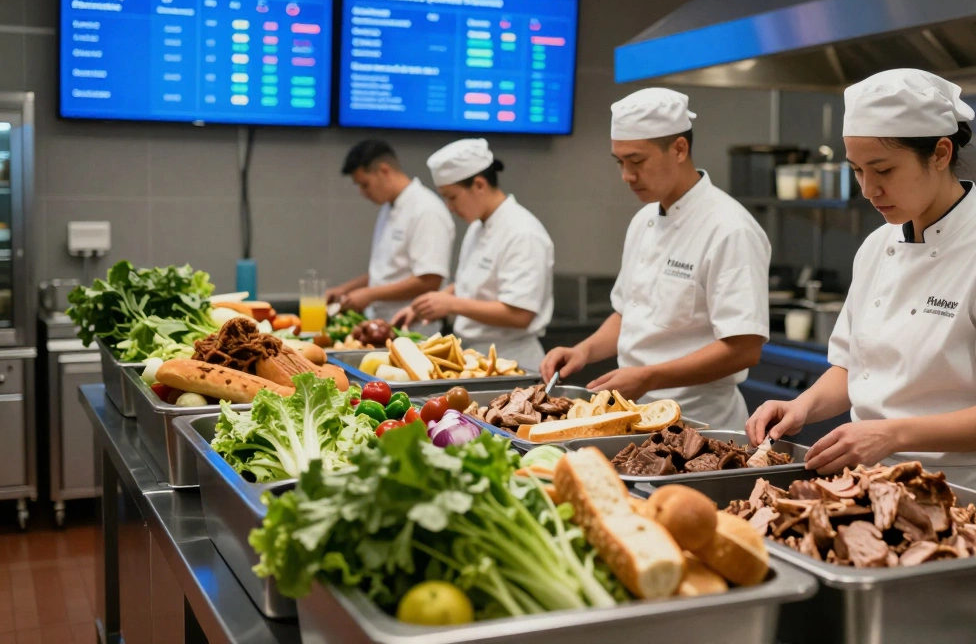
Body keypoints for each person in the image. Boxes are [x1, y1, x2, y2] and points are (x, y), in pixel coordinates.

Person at [746, 69, 976, 503]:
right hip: (871, 488)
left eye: (883, 170)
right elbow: (853, 368)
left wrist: (891, 434)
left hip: (967, 496)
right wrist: (801, 408)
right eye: (857, 170)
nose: (868, 189)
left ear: (939, 152)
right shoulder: (878, 245)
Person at [540, 88, 771, 430]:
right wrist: (584, 351)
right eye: (620, 163)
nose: (627, 176)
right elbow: (629, 314)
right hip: (635, 414)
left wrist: (649, 377)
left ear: (679, 149)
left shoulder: (730, 228)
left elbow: (744, 348)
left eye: (637, 161)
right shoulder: (644, 220)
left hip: (700, 423)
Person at [391, 139, 554, 373]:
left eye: (452, 197)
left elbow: (520, 314)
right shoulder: (479, 226)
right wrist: (428, 303)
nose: (449, 206)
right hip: (477, 356)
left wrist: (450, 304)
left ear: (479, 184)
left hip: (512, 361)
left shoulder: (523, 232)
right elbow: (470, 283)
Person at [325, 139, 455, 335]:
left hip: (414, 329)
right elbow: (386, 270)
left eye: (365, 184)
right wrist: (345, 289)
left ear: (384, 171)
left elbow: (430, 279)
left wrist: (369, 294)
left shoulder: (426, 210)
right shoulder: (389, 207)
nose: (363, 193)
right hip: (382, 325)